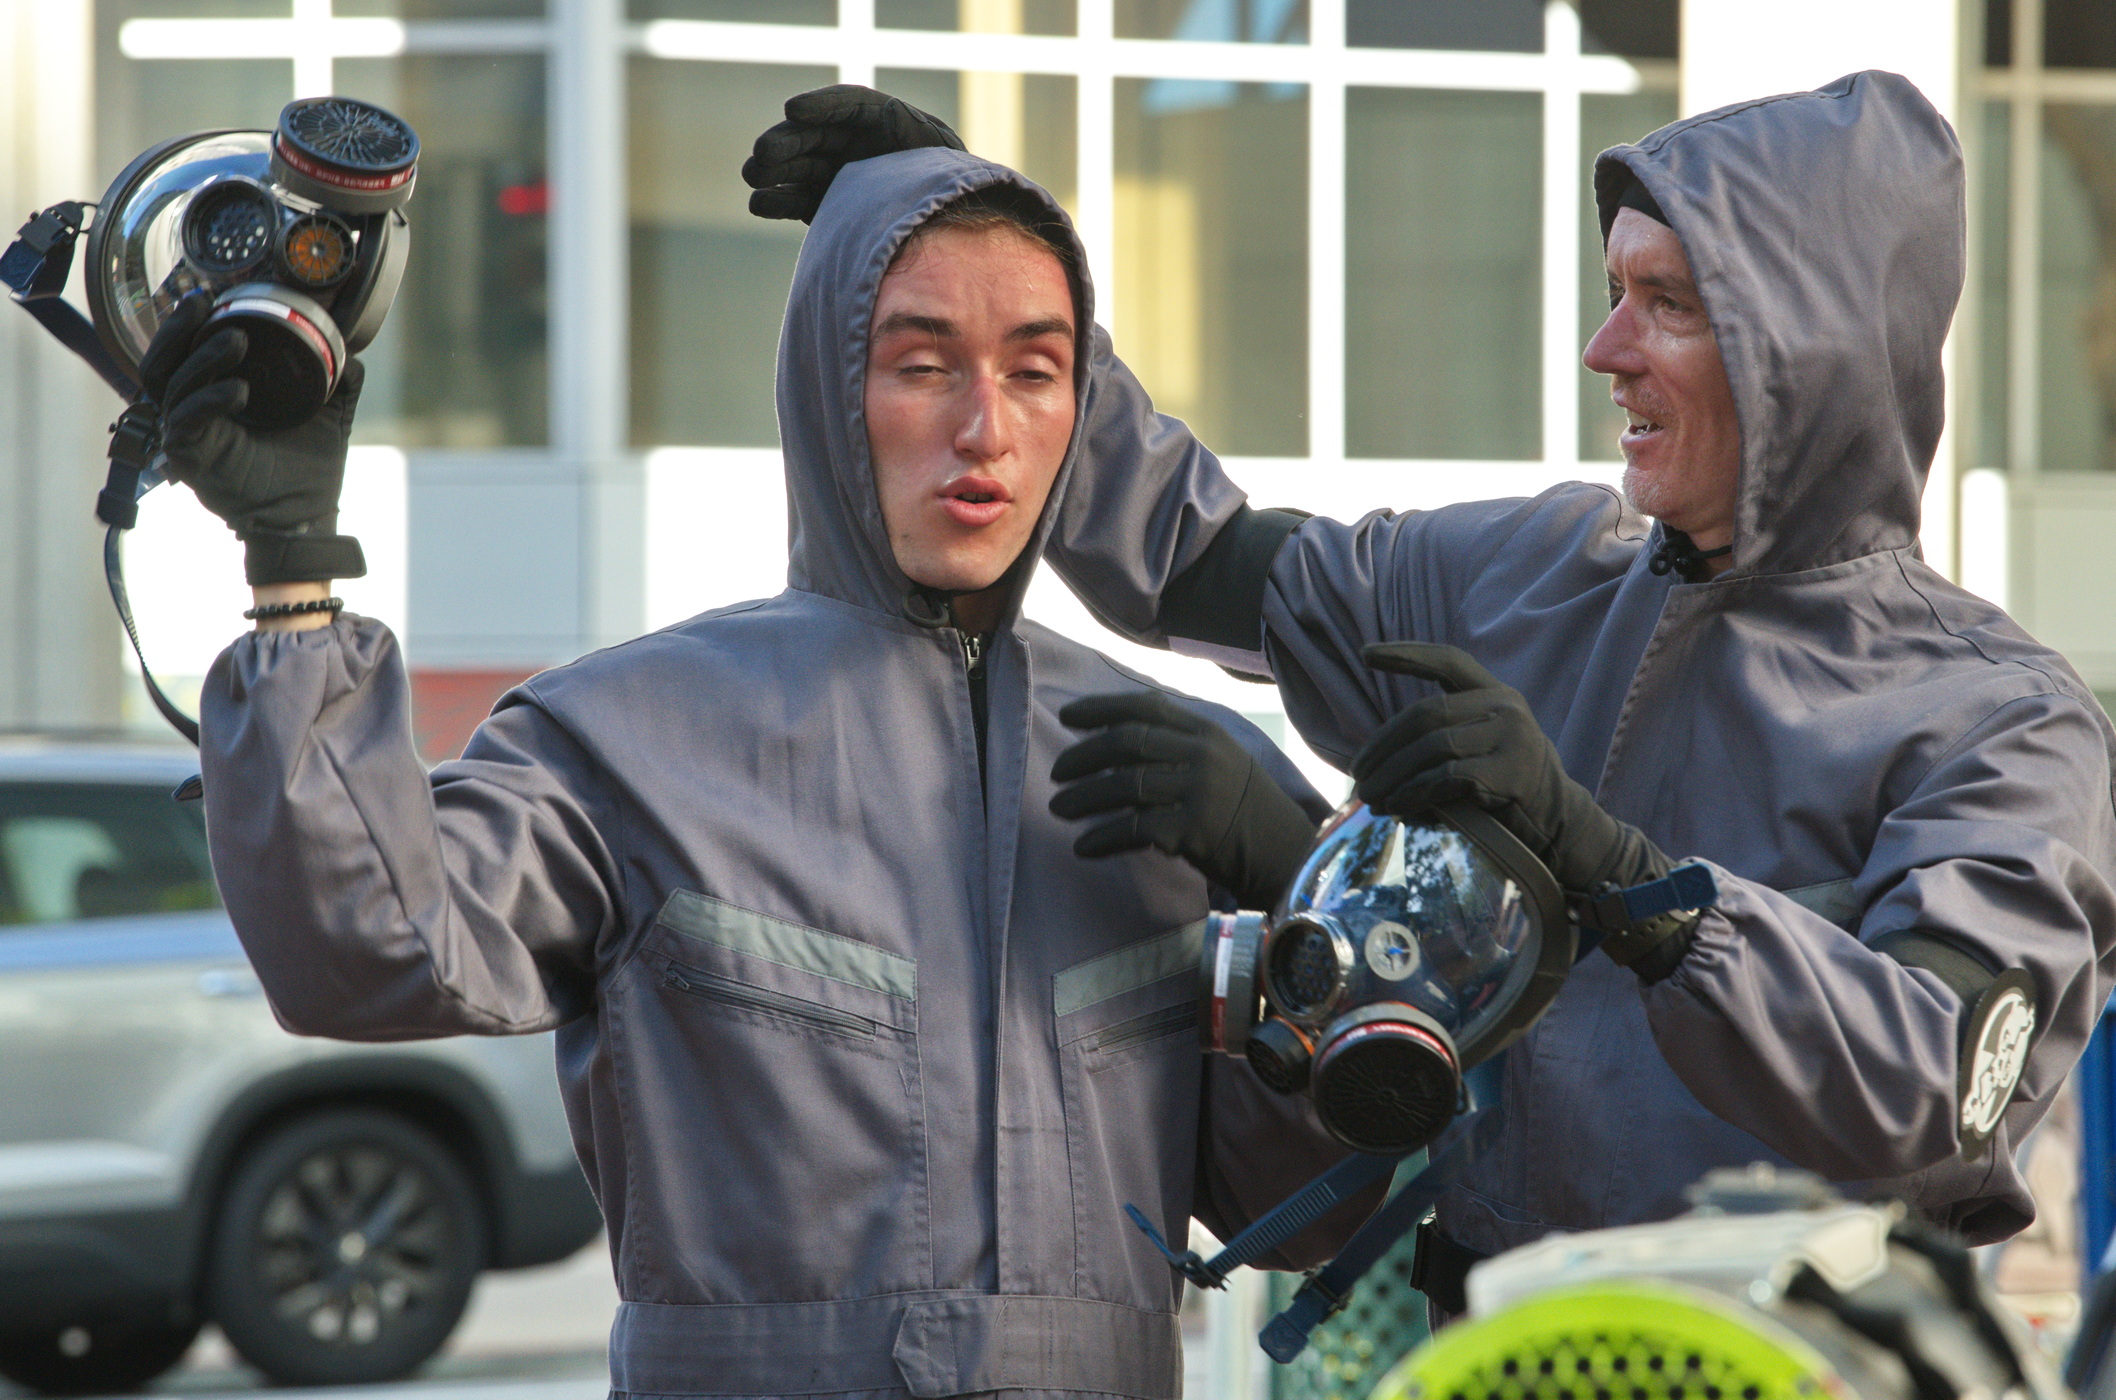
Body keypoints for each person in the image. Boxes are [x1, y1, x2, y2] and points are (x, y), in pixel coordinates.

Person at [744, 71, 2116, 1297]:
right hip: (1480, 1351)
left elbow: (1933, 1089)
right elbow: (1192, 559)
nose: (1604, 351)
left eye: (1664, 305)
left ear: (1809, 352)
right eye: (1612, 293)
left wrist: (1626, 882)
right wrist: (973, 257)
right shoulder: (1529, 574)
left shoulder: (2004, 728)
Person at [146, 146, 1375, 1395]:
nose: (985, 428)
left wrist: (1310, 902)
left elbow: (1306, 1208)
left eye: (1035, 371)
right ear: (828, 393)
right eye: (922, 365)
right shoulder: (632, 740)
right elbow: (363, 950)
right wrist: (292, 576)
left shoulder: (1173, 775)